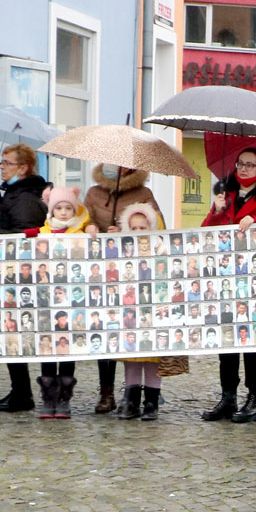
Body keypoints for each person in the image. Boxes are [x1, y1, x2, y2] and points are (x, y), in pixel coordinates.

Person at [201, 148, 256, 424]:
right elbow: (206, 234)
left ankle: (254, 399)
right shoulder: (225, 197)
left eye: (251, 164)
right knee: (227, 343)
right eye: (241, 163)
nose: (245, 169)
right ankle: (228, 397)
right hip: (227, 282)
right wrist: (217, 212)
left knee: (252, 344)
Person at [0, 143, 49, 413]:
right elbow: (6, 217)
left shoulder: (26, 196)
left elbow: (21, 233)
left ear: (23, 168)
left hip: (19, 275)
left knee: (18, 334)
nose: (2, 166)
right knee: (12, 334)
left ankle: (23, 393)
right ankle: (20, 390)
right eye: (2, 162)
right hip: (11, 275)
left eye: (7, 162)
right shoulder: (16, 192)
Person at [86, 163, 167, 413]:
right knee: (119, 343)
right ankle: (113, 393)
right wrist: (103, 233)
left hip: (145, 280)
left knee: (148, 348)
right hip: (113, 272)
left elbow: (157, 227)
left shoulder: (143, 194)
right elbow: (83, 221)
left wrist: (128, 233)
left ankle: (151, 398)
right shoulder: (93, 193)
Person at [33, 185, 92, 417]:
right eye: (59, 207)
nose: (64, 212)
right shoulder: (42, 233)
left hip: (71, 301)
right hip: (48, 301)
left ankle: (64, 398)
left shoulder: (79, 235)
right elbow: (22, 237)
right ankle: (49, 397)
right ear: (52, 210)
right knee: (49, 346)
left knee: (67, 347)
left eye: (69, 207)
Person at [116, 205, 169, 420]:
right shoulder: (124, 249)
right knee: (132, 356)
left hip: (152, 310)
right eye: (134, 228)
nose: (138, 232)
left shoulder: (160, 247)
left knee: (152, 356)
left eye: (142, 227)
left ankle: (152, 402)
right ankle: (131, 399)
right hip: (131, 311)